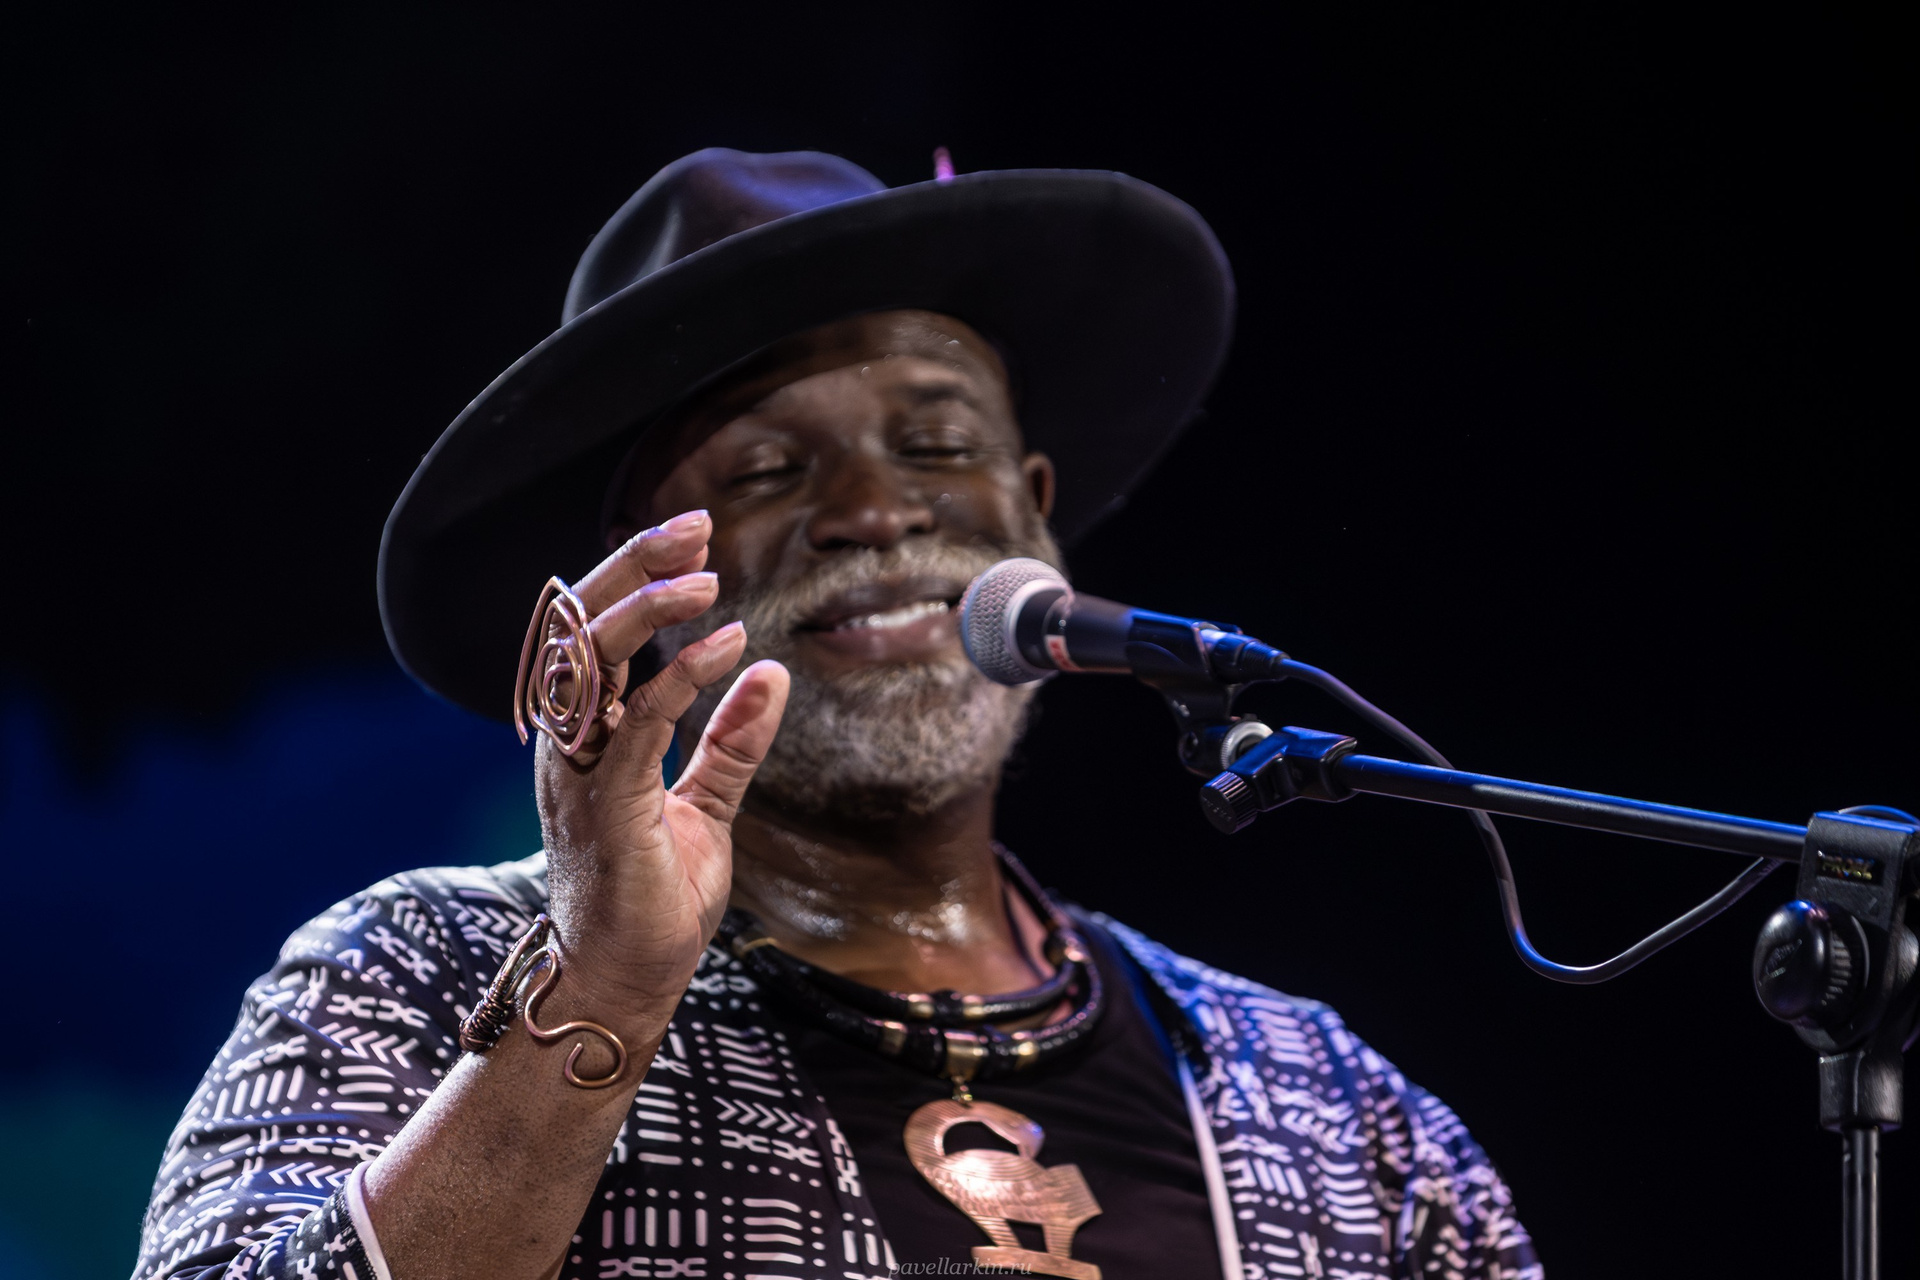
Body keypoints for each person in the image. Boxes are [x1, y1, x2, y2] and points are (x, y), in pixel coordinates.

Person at [135, 149, 1539, 1280]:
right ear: (641, 581)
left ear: (1034, 517)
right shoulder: (417, 974)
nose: (874, 510)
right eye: (766, 470)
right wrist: (599, 995)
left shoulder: (1336, 1112)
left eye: (937, 445)